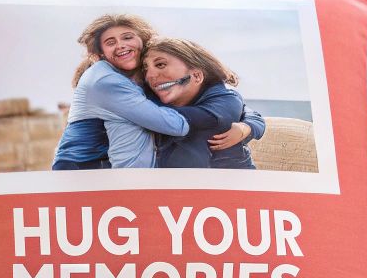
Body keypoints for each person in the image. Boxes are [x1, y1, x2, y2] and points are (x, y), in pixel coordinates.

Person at [51, 14, 191, 169]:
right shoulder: (105, 81)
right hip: (84, 170)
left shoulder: (136, 77)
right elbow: (175, 125)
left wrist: (222, 120)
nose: (120, 45)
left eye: (127, 37)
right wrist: (211, 119)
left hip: (104, 169)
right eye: (110, 42)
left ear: (143, 40)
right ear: (102, 53)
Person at [143, 37, 262, 168]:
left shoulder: (226, 97)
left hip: (230, 183)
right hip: (176, 182)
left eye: (160, 64)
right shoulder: (154, 98)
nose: (149, 76)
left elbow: (213, 117)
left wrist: (249, 127)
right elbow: (248, 112)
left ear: (197, 76)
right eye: (145, 69)